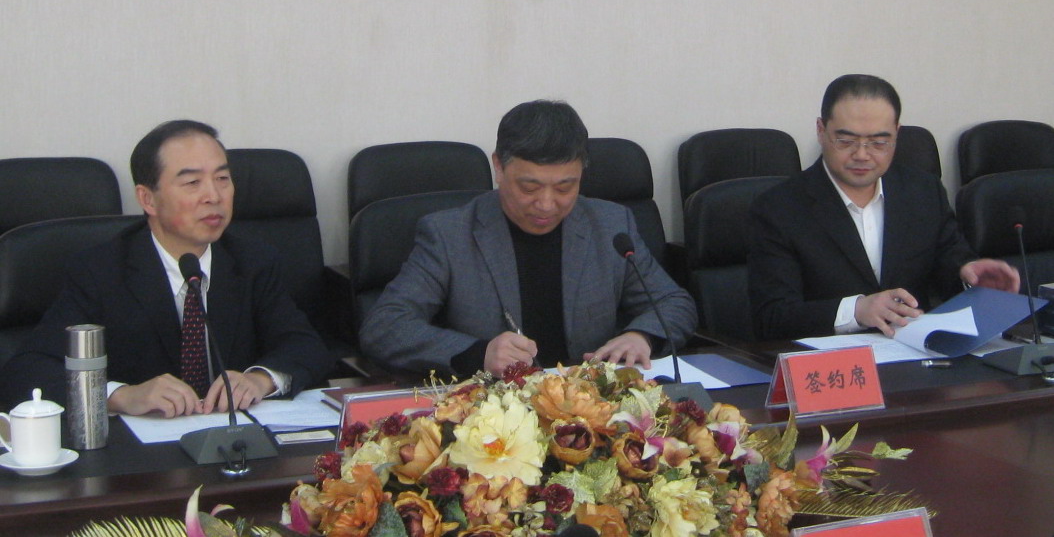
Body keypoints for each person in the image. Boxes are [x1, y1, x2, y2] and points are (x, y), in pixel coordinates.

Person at [0, 121, 333, 417]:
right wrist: (122, 396)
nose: (214, 196)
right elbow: (27, 371)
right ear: (148, 199)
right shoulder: (100, 271)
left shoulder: (253, 261)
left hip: (233, 441)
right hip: (141, 456)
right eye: (192, 183)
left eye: (222, 179)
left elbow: (306, 347)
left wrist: (259, 380)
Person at [359, 100, 697, 377]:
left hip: (589, 408)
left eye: (565, 187)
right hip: (493, 415)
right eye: (529, 187)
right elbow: (385, 327)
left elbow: (673, 303)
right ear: (498, 167)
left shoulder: (610, 224)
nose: (547, 204)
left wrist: (642, 336)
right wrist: (478, 353)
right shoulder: (450, 235)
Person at [749, 74, 1020, 341]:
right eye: (846, 141)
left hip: (916, 355)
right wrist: (857, 311)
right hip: (828, 359)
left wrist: (970, 278)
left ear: (896, 134)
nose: (862, 154)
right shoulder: (778, 209)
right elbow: (772, 318)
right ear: (821, 130)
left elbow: (949, 264)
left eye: (879, 142)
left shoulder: (923, 192)